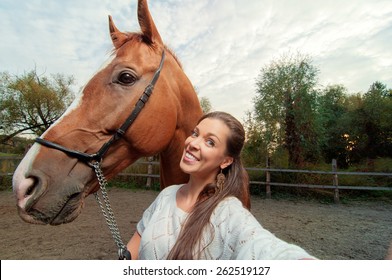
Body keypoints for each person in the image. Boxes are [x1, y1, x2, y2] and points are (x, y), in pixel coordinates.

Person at [127, 111, 315, 260]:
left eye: (210, 142)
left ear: (225, 161)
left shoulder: (228, 212)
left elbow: (261, 247)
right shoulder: (166, 195)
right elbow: (133, 248)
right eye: (195, 133)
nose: (193, 143)